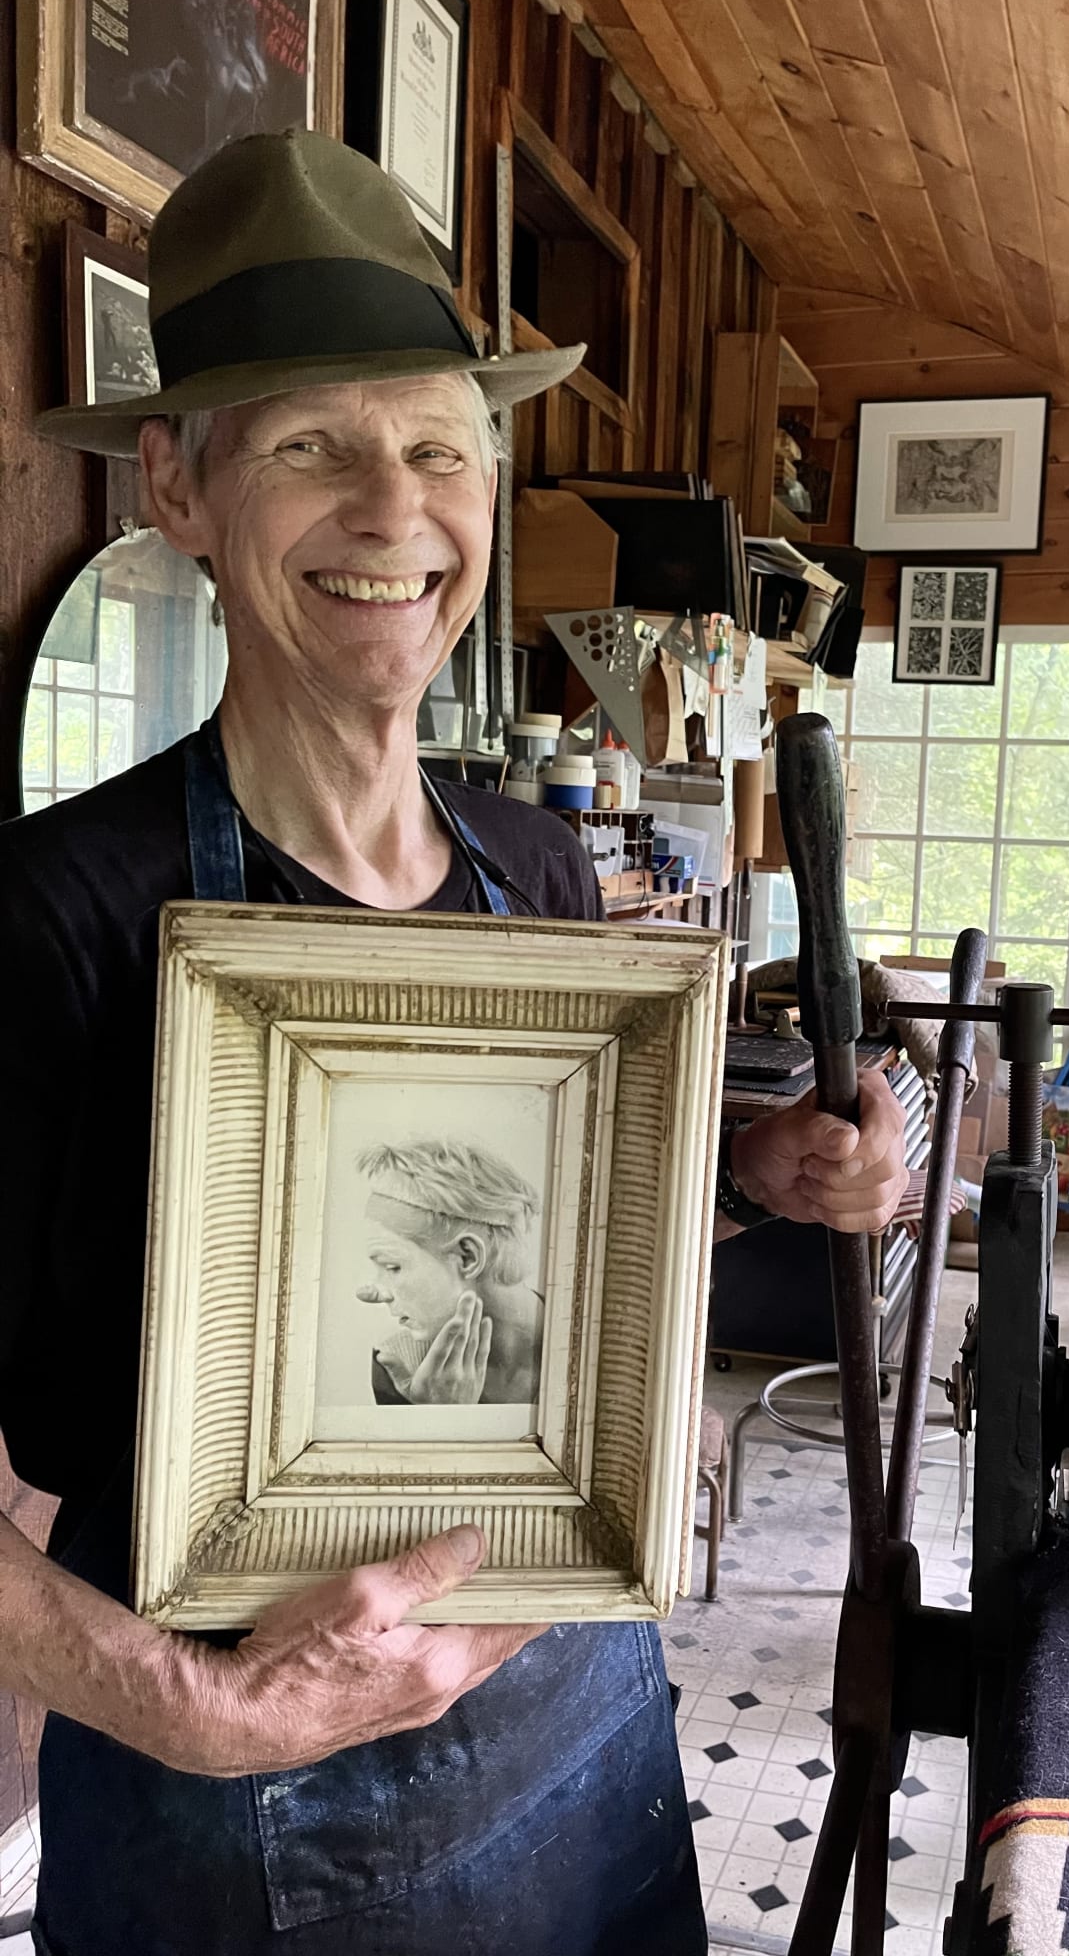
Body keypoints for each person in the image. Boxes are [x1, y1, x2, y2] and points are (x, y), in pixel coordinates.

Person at [0, 129, 910, 1955]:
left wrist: (754, 1171)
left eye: (437, 448)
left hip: (573, 1708)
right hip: (237, 1792)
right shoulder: (53, 918)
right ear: (177, 485)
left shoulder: (535, 865)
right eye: (310, 447)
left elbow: (544, 1241)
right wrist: (196, 1711)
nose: (392, 513)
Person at [355, 1137, 544, 1407]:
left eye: (392, 1267)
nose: (376, 1293)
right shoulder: (400, 1367)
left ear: (468, 1256)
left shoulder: (586, 1340)